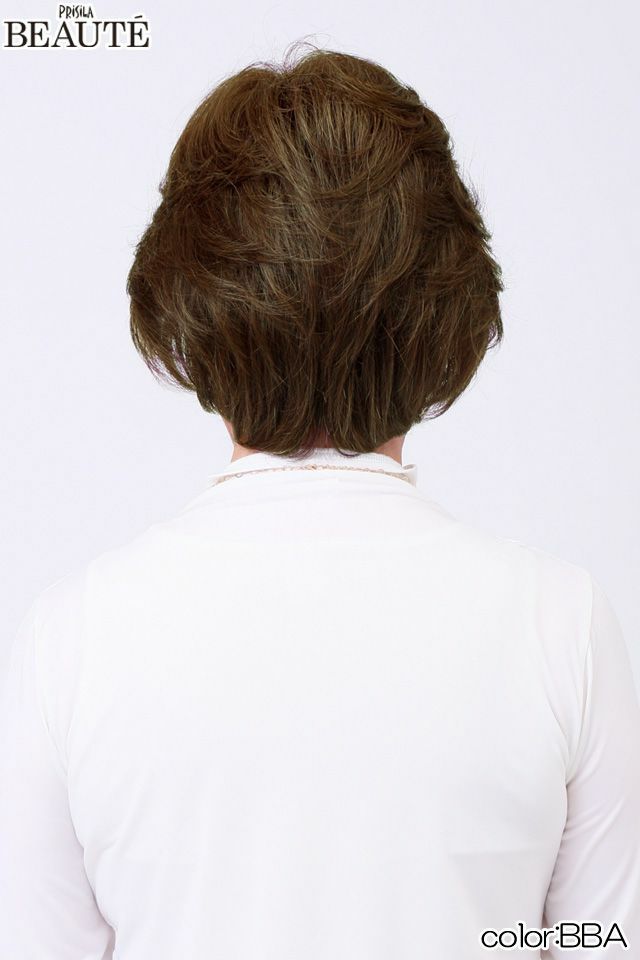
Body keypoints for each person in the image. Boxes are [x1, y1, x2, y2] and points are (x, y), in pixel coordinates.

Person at [1, 42, 639, 960]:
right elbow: (598, 942)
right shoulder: (561, 628)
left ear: (191, 307)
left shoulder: (71, 643)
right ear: (445, 314)